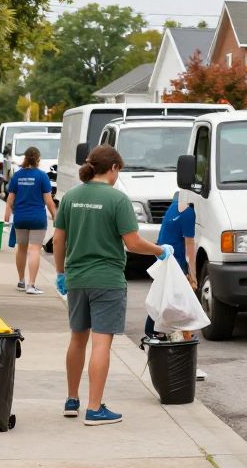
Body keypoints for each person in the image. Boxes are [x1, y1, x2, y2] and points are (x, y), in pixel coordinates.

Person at [53, 145, 172, 426]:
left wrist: (61, 272)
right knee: (101, 343)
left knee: (77, 339)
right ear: (114, 168)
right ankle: (95, 408)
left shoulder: (71, 197)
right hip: (107, 279)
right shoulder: (118, 199)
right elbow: (132, 243)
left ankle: (72, 399)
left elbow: (58, 240)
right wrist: (160, 250)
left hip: (77, 278)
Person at [5, 146, 57, 295]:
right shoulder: (42, 176)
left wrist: (7, 217)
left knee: (21, 249)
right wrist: (55, 216)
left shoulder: (17, 176)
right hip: (37, 218)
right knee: (34, 249)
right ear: (38, 159)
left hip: (20, 218)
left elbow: (10, 199)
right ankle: (31, 285)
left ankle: (21, 281)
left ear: (25, 158)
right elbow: (48, 201)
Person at [144, 192, 197, 337]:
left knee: (165, 296)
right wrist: (193, 275)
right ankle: (155, 331)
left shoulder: (173, 208)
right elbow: (189, 245)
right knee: (173, 300)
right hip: (174, 260)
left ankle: (154, 331)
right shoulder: (188, 213)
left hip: (164, 257)